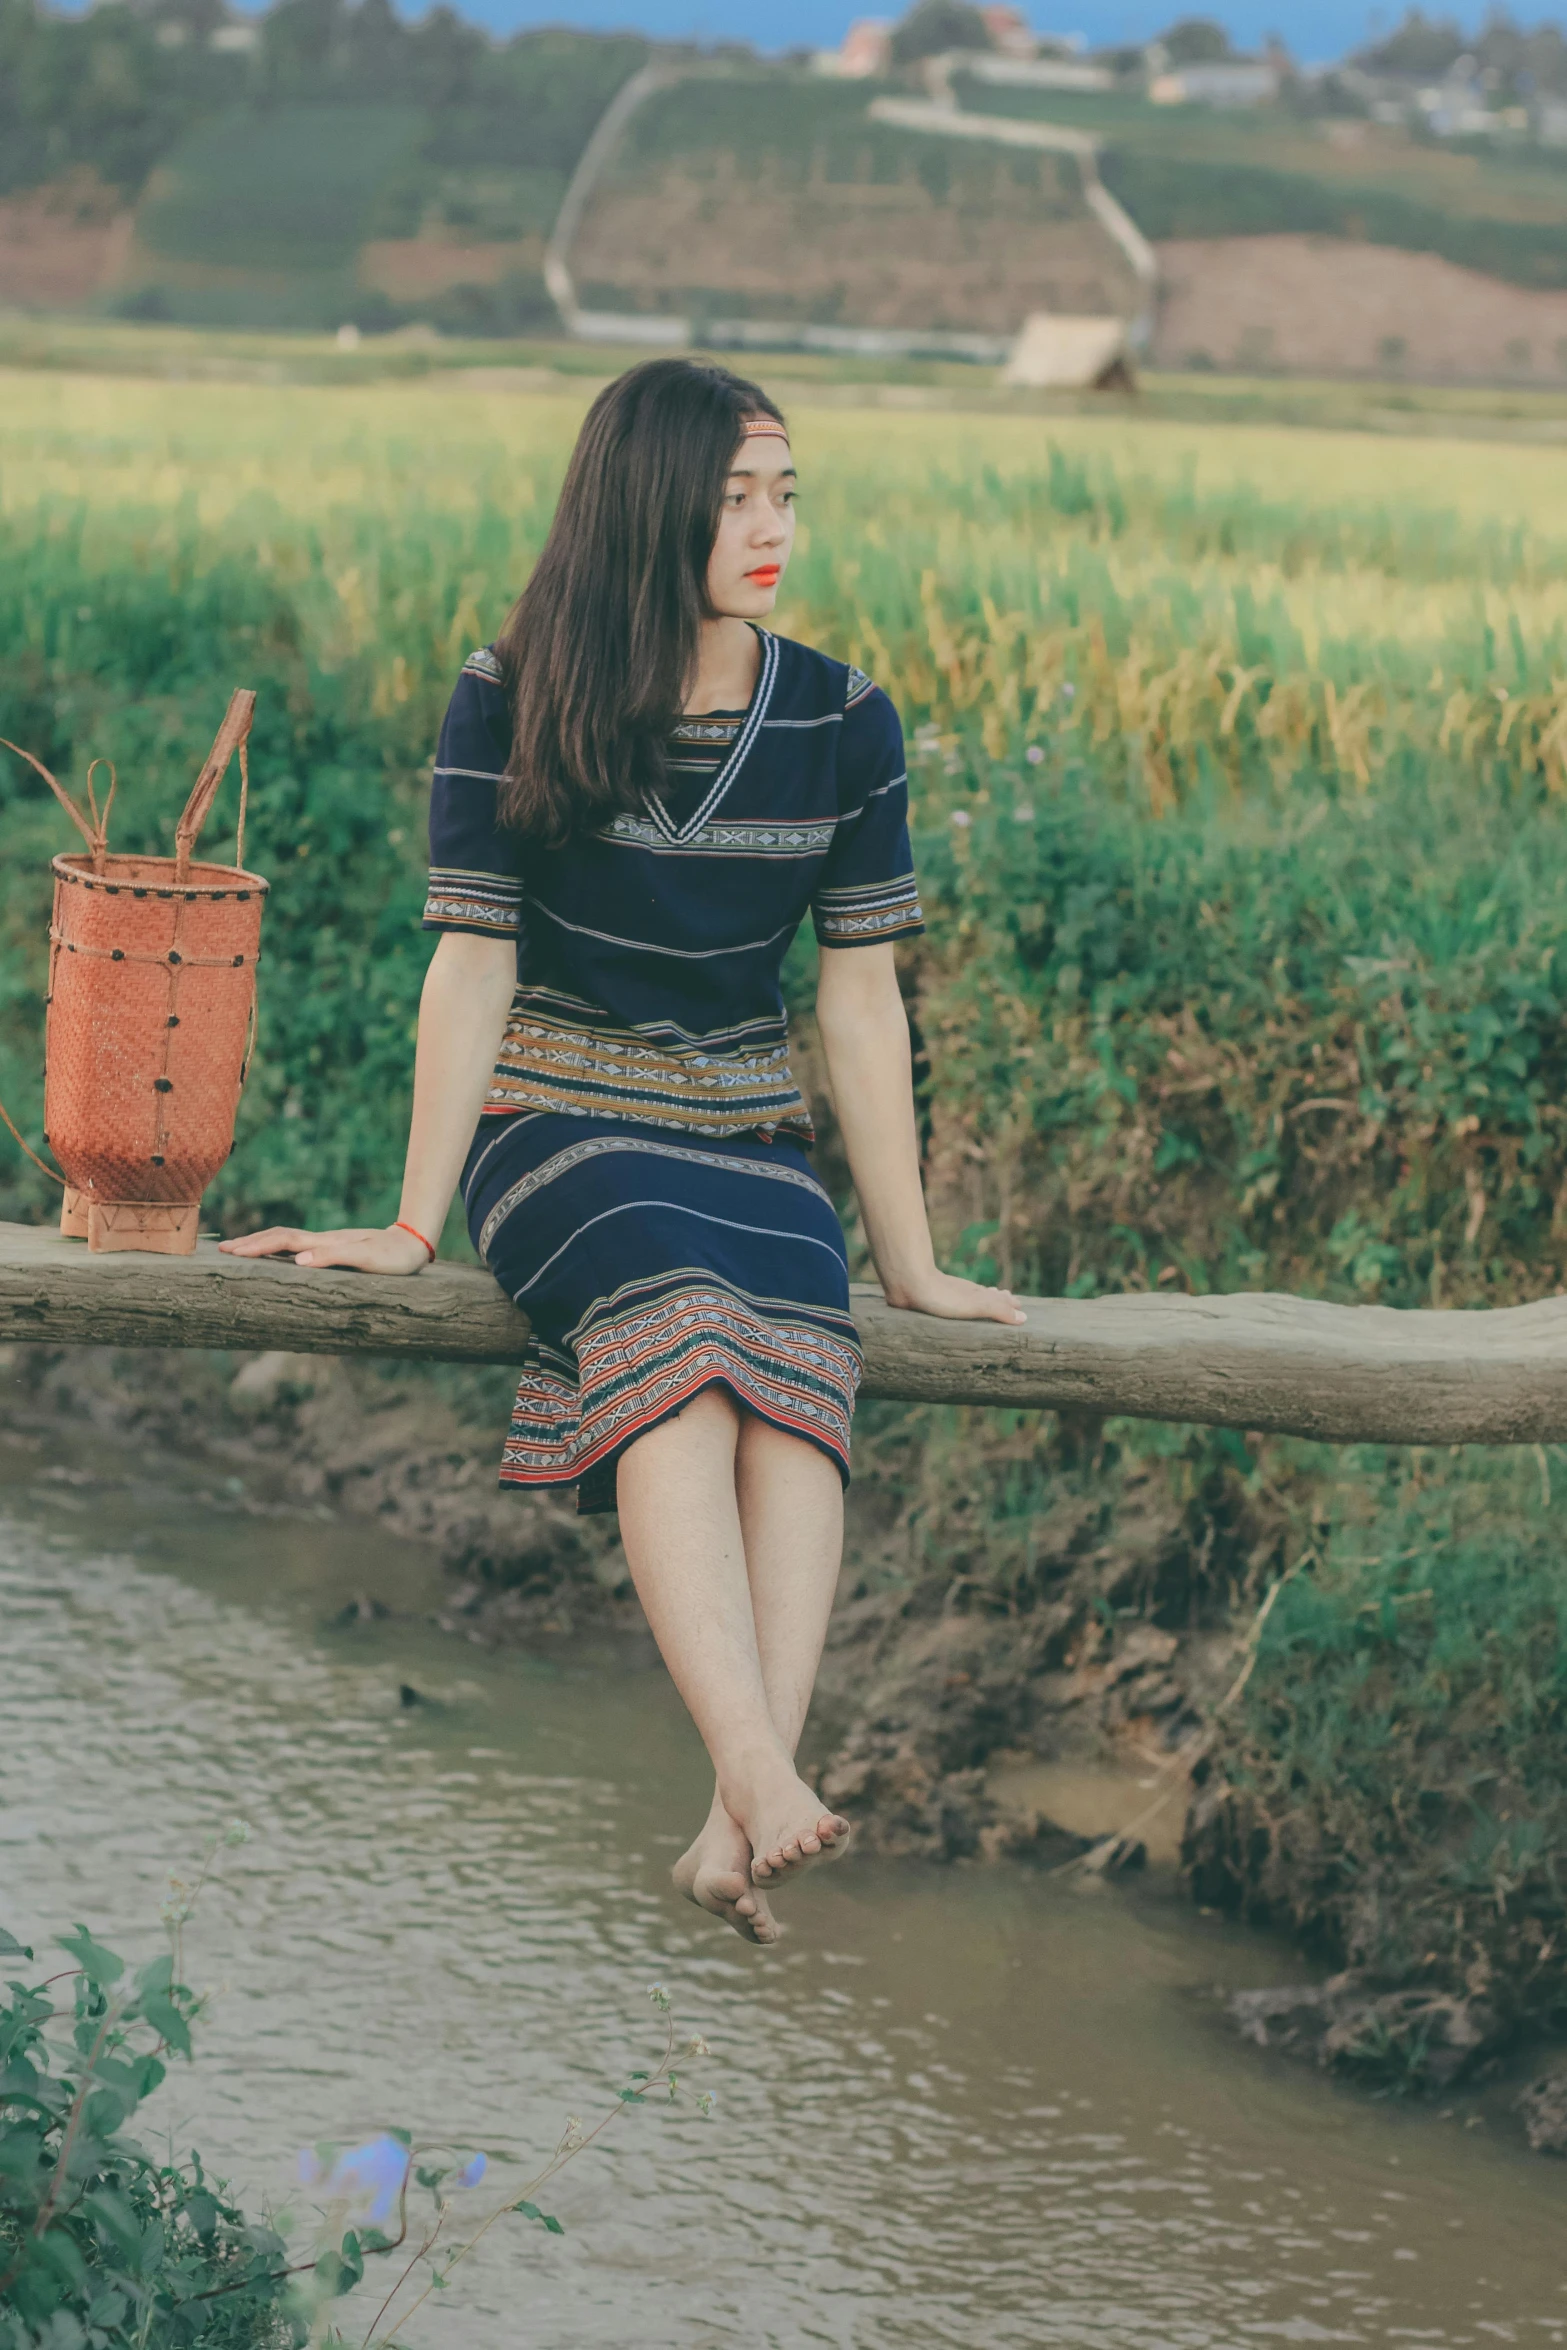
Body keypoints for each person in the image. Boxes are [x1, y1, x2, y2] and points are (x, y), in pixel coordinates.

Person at [222, 358, 1024, 1945]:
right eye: (736, 496)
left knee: (803, 1362)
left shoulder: (843, 718)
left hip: (744, 1125)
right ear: (648, 507)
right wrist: (410, 1219)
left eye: (787, 491)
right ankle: (755, 1774)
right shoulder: (512, 692)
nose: (773, 525)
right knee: (675, 1333)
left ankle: (730, 1820)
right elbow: (472, 963)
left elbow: (859, 1007)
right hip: (559, 1120)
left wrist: (913, 1261)